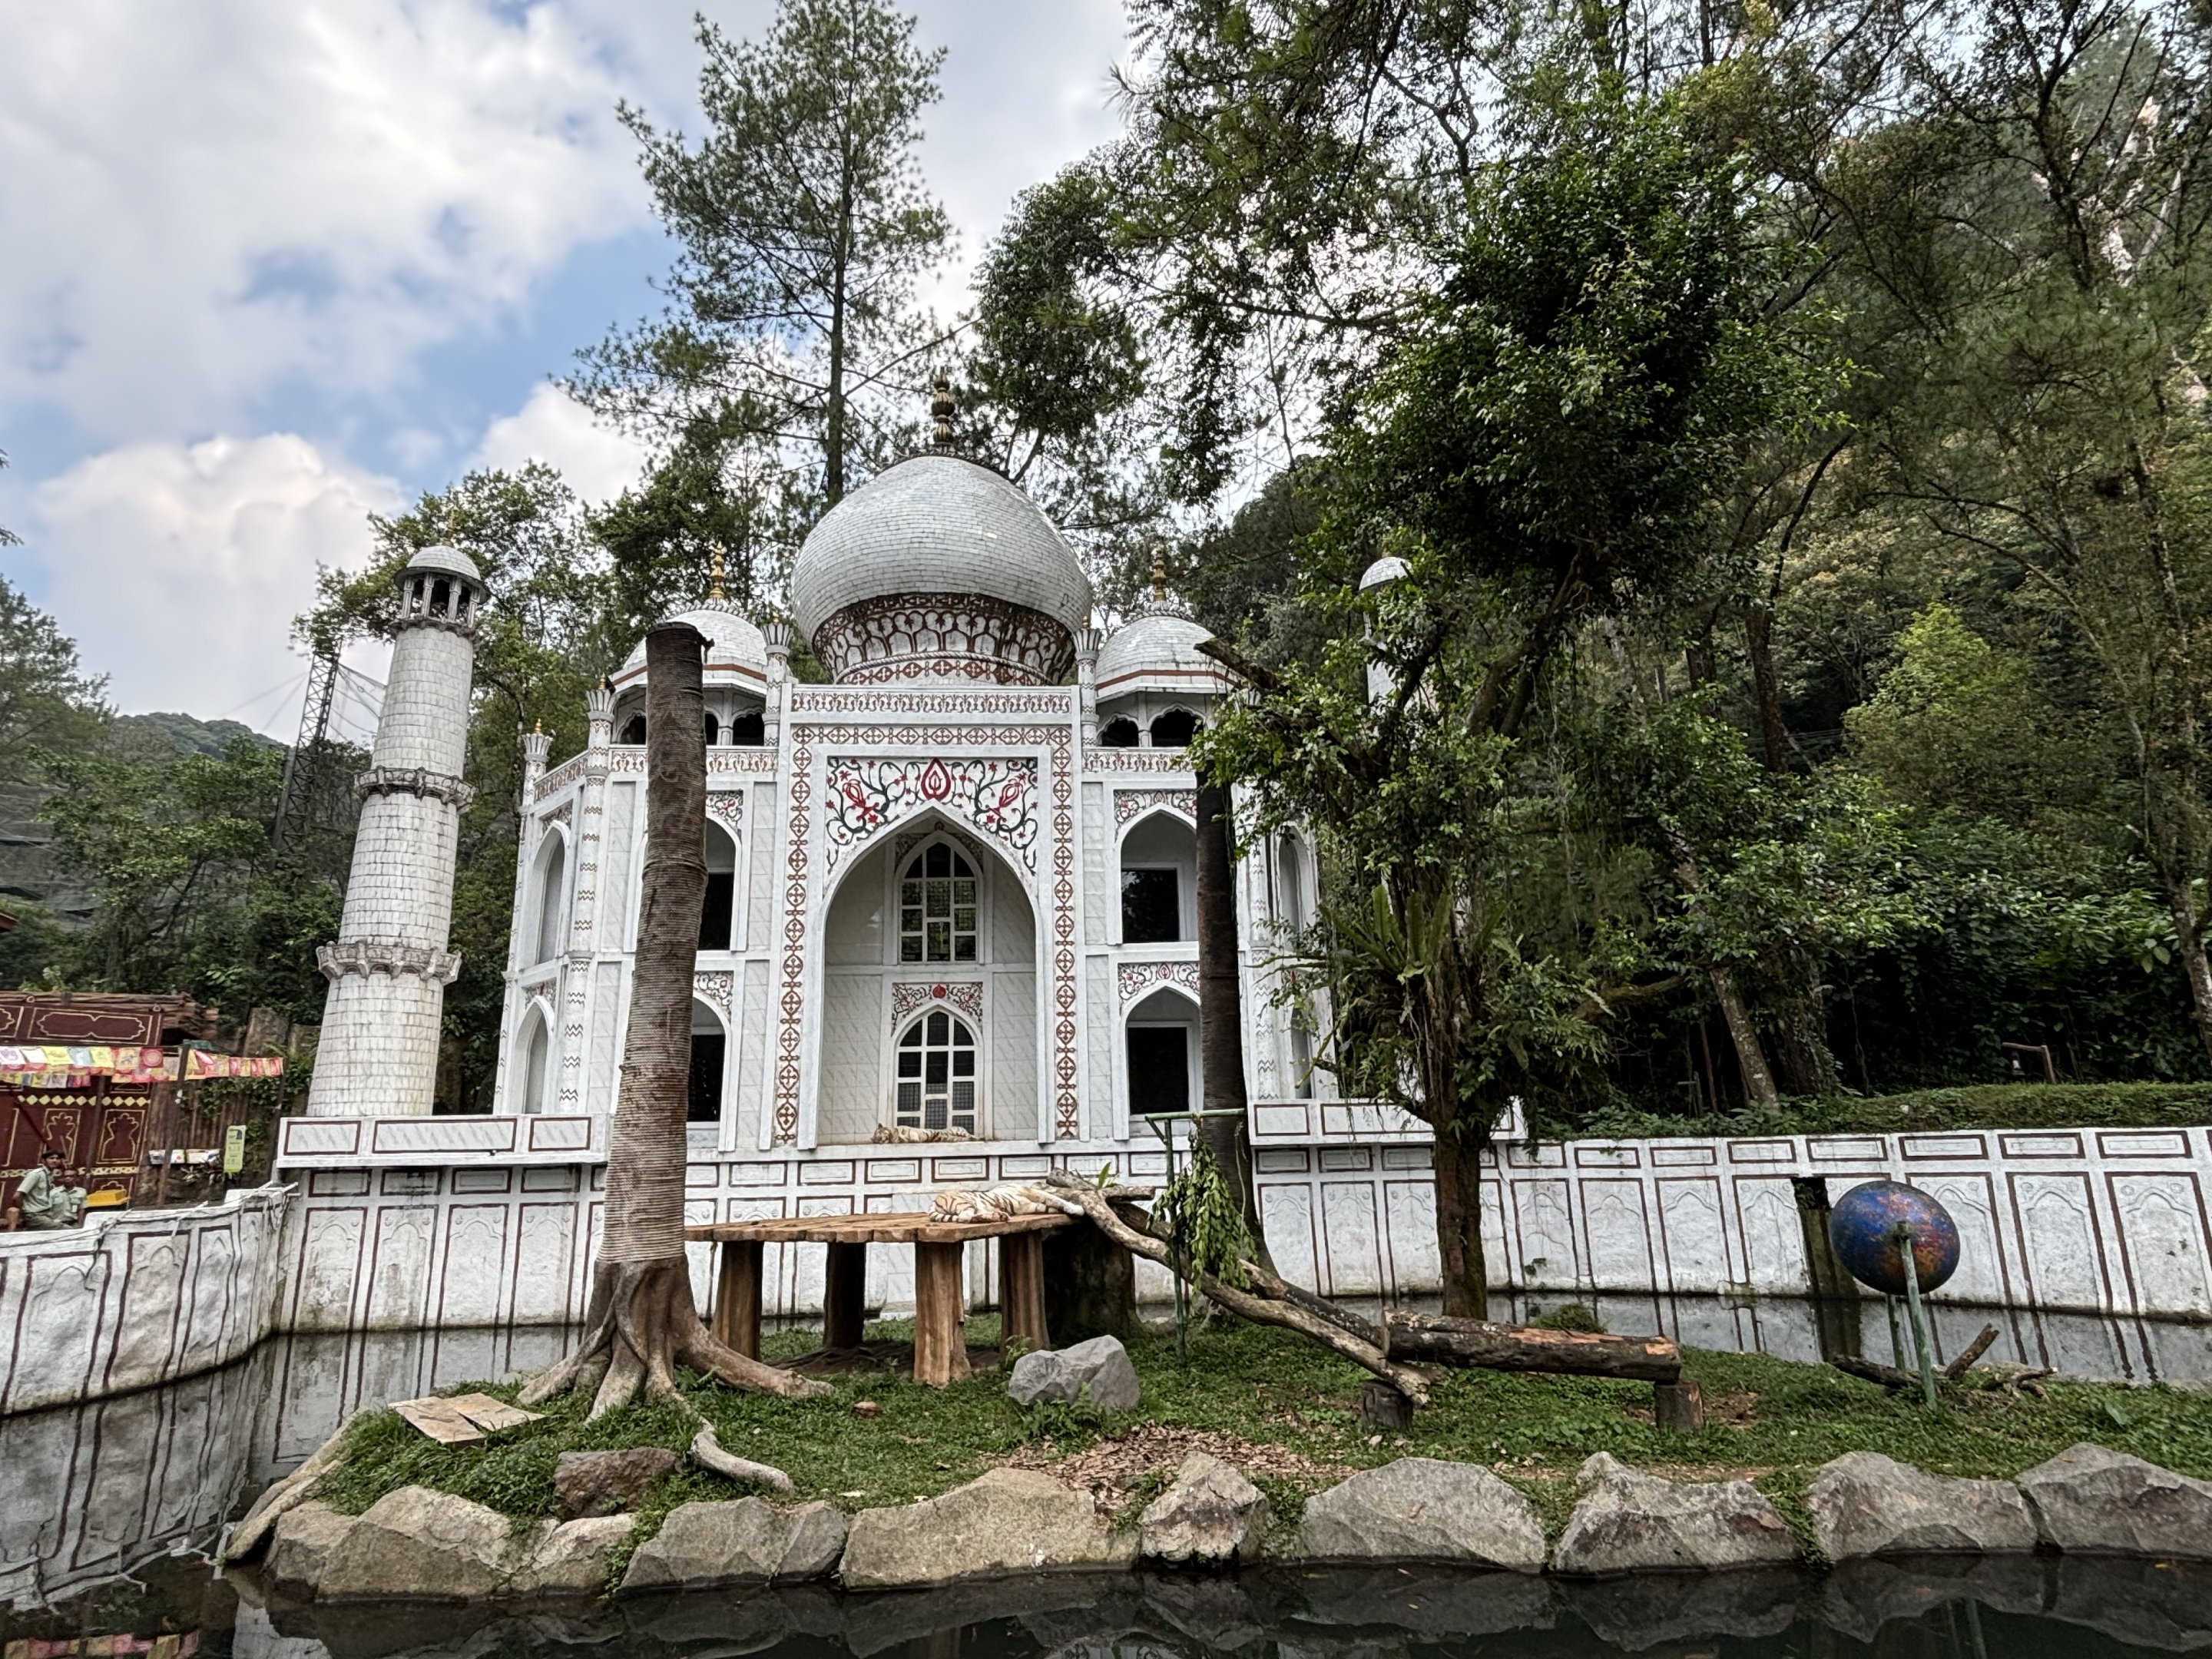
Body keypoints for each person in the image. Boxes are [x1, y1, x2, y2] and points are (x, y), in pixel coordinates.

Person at [5, 1148, 86, 1230]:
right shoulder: (36, 1174)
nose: (55, 1161)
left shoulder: (49, 1175)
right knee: (70, 1231)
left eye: (57, 1159)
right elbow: (17, 1197)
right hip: (35, 1216)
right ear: (44, 1161)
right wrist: (24, 1213)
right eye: (51, 1158)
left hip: (46, 1215)